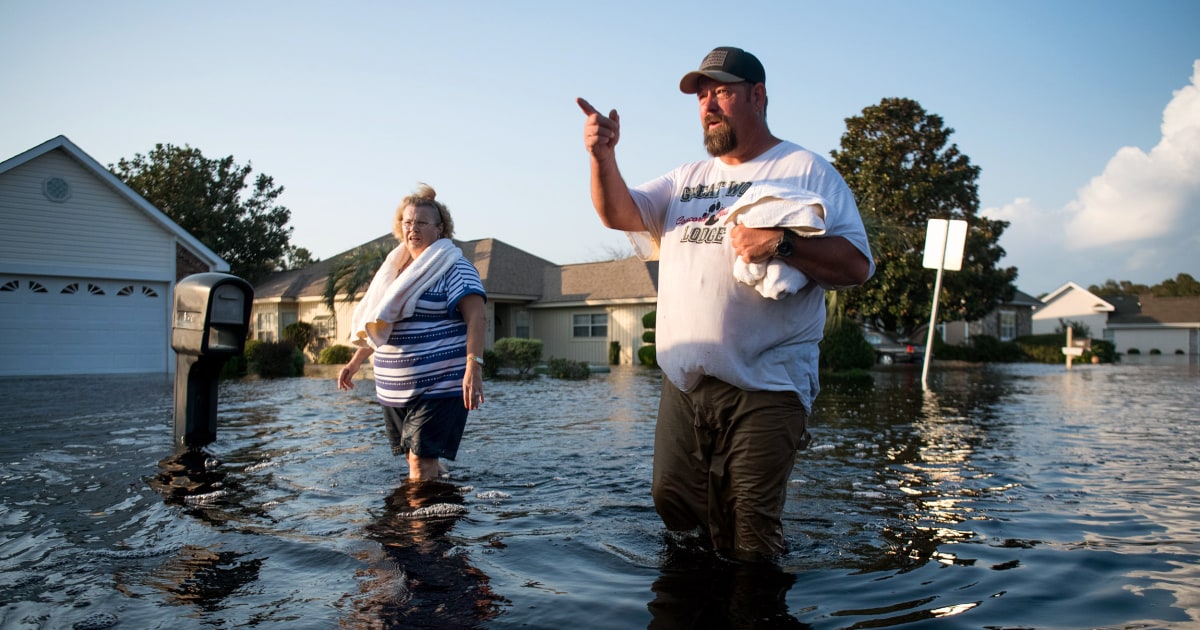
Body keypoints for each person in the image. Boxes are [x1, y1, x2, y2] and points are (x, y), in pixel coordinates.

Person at [577, 46, 874, 561]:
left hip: (768, 384)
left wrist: (784, 243)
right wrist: (603, 157)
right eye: (702, 95)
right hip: (686, 382)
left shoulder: (805, 169)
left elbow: (856, 266)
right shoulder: (685, 179)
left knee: (750, 528)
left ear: (757, 96)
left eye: (722, 91)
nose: (708, 104)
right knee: (672, 500)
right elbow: (619, 213)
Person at [336, 183, 487, 482]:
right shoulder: (394, 271)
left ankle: (421, 528)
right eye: (407, 222)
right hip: (395, 389)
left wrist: (474, 365)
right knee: (415, 459)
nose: (412, 229)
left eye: (420, 222)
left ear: (440, 229)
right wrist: (355, 362)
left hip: (440, 384)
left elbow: (477, 317)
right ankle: (437, 501)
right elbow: (381, 322)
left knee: (419, 462)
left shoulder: (454, 267)